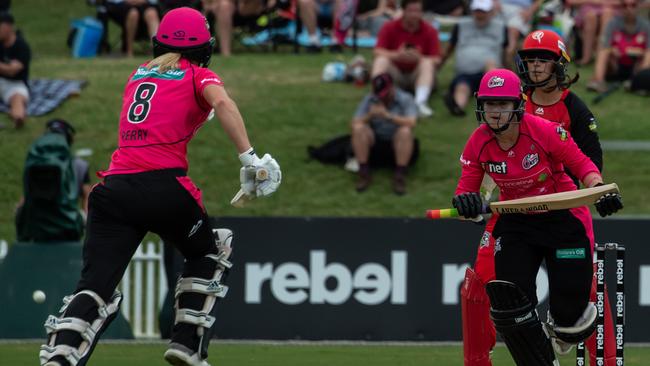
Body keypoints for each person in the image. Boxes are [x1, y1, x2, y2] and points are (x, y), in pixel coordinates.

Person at [39, 7, 281, 366]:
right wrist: (250, 159)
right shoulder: (199, 75)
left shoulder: (137, 75)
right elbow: (224, 103)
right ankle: (186, 344)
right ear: (204, 46)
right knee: (212, 249)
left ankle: (59, 356)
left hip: (113, 191)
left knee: (95, 286)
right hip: (162, 187)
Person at [460, 30, 617, 366]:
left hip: (563, 206)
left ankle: (584, 344)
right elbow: (477, 176)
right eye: (530, 60)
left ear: (559, 65)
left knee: (581, 292)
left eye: (543, 60)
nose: (535, 67)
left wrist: (596, 192)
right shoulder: (495, 120)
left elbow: (586, 163)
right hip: (513, 211)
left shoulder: (570, 112)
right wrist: (472, 203)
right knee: (490, 287)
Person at [351, 72, 417, 195]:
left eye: (385, 94)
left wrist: (388, 116)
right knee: (359, 129)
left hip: (396, 140)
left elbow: (412, 122)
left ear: (392, 87)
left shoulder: (405, 98)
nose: (382, 98)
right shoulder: (370, 99)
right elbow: (355, 122)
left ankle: (399, 175)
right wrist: (369, 116)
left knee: (405, 131)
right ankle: (364, 172)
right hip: (375, 140)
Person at [372, 0, 440, 118]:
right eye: (411, 11)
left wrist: (419, 58)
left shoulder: (430, 30)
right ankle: (377, 98)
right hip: (396, 74)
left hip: (416, 75)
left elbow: (437, 59)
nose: (414, 15)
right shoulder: (389, 27)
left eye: (417, 11)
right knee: (381, 60)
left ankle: (420, 102)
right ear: (403, 11)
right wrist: (397, 55)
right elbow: (377, 51)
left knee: (427, 63)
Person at [439, 0, 506, 117]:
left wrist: (507, 71)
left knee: (491, 68)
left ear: (491, 12)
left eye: (483, 11)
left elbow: (506, 52)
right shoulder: (461, 25)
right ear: (472, 11)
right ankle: (457, 107)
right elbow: (449, 48)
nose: (480, 15)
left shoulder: (500, 27)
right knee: (462, 87)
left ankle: (499, 101)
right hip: (466, 72)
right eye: (477, 11)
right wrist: (439, 65)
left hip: (490, 71)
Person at [587, 0, 650, 93]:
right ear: (621, 8)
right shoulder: (612, 23)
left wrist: (639, 52)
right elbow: (604, 46)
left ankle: (640, 81)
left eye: (632, 5)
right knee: (603, 51)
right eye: (625, 6)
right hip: (616, 64)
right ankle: (598, 81)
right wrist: (612, 50)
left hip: (636, 65)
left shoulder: (645, 25)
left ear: (638, 7)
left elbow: (648, 50)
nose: (628, 9)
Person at [0, 12, 30, 129]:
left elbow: (12, 71)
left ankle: (18, 117)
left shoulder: (21, 46)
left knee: (17, 99)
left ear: (8, 27)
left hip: (16, 84)